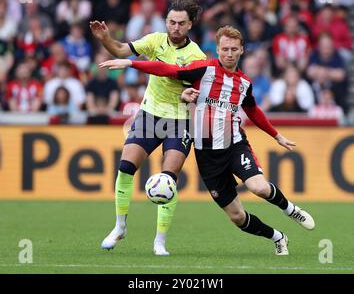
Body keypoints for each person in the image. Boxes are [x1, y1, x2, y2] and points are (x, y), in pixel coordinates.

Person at [99, 25, 315, 255]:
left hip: (234, 145)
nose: (229, 53)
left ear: (242, 50)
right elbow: (166, 69)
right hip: (206, 154)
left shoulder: (244, 83)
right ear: (218, 50)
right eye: (225, 49)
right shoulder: (203, 70)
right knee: (237, 217)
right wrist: (132, 63)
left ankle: (291, 209)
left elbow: (253, 110)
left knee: (259, 187)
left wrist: (276, 135)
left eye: (234, 49)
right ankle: (278, 237)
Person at [90, 0, 206, 255]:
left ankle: (160, 241)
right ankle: (120, 226)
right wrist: (105, 39)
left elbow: (169, 73)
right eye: (171, 22)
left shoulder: (196, 56)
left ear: (190, 25)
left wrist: (188, 95)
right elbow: (121, 50)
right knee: (125, 167)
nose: (175, 27)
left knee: (168, 179)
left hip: (179, 120)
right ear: (166, 21)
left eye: (181, 23)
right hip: (150, 115)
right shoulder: (155, 40)